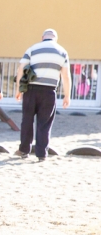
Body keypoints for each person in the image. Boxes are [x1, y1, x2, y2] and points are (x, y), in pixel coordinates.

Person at [13, 29, 71, 162]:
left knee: (27, 120)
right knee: (44, 123)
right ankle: (41, 154)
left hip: (31, 90)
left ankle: (23, 150)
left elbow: (21, 68)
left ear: (42, 37)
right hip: (49, 91)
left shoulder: (33, 48)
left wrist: (18, 90)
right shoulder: (62, 51)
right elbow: (66, 76)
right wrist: (67, 95)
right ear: (55, 39)